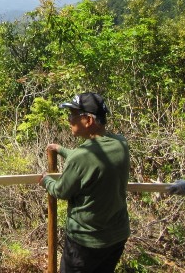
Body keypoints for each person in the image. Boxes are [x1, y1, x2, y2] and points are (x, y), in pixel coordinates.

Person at [39, 92, 130, 273]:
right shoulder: (120, 143)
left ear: (88, 120)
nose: (69, 120)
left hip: (86, 241)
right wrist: (62, 150)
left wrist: (45, 180)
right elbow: (93, 160)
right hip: (116, 236)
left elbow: (61, 190)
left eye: (73, 115)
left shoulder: (82, 156)